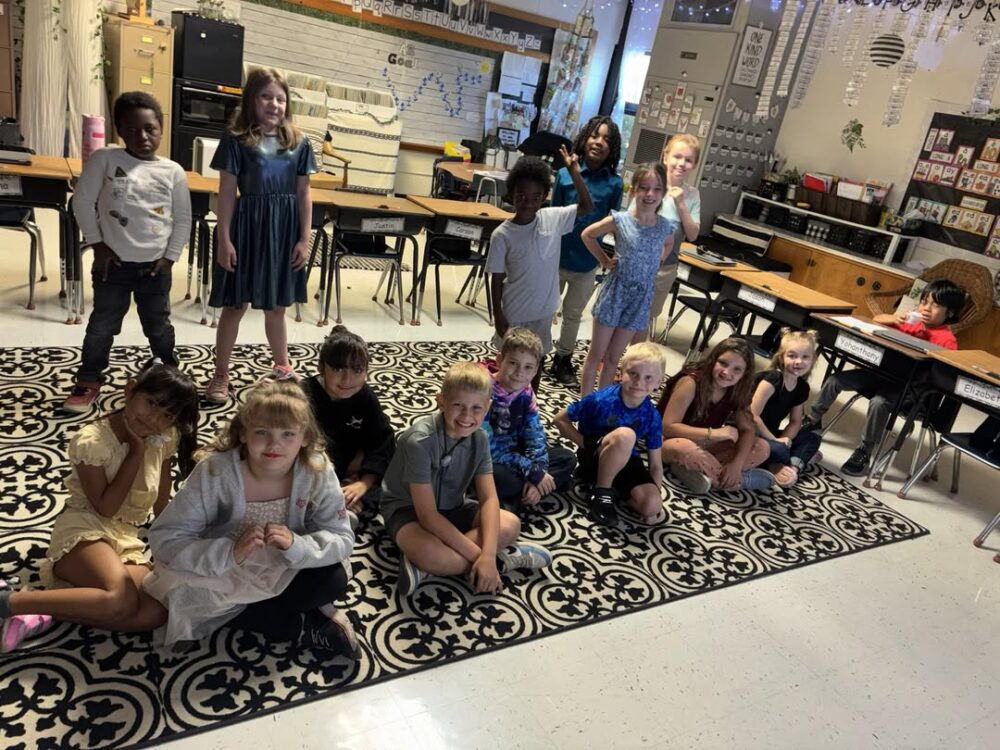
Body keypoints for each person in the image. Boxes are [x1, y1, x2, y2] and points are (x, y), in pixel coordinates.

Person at [144, 381, 358, 657]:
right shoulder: (214, 472)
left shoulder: (317, 470)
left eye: (287, 434)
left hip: (285, 562)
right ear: (243, 433)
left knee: (334, 581)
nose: (274, 444)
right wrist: (229, 552)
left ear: (305, 437)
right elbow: (165, 539)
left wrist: (297, 545)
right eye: (261, 432)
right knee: (182, 595)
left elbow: (341, 536)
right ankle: (301, 627)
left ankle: (249, 617)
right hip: (223, 567)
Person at [0, 362, 199, 652]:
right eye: (151, 403)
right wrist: (135, 452)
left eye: (167, 415)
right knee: (121, 599)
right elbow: (105, 507)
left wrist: (166, 540)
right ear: (130, 389)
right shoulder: (92, 441)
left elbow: (162, 487)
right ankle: (9, 601)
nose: (154, 418)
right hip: (84, 526)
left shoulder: (165, 436)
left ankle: (42, 611)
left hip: (125, 536)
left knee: (156, 611)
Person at [64, 92, 192, 413]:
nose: (142, 136)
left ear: (161, 129)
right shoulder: (105, 160)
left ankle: (169, 371)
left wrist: (170, 257)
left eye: (150, 129)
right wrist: (97, 244)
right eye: (132, 129)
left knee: (158, 326)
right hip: (113, 265)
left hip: (155, 268)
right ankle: (89, 378)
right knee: (102, 325)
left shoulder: (173, 171)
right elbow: (82, 202)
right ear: (120, 130)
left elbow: (183, 219)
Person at [381, 362, 553, 597]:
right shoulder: (419, 442)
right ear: (441, 401)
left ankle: (427, 570)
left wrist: (487, 556)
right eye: (458, 405)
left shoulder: (480, 438)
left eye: (476, 408)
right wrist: (483, 558)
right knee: (429, 553)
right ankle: (503, 561)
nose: (466, 416)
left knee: (511, 524)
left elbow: (489, 498)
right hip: (408, 511)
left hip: (453, 505)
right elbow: (427, 516)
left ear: (488, 407)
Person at [204, 67, 317, 403]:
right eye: (266, 96)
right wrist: (224, 239)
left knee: (277, 307)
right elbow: (226, 192)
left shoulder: (299, 142)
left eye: (280, 98)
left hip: (283, 232)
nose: (274, 104)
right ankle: (221, 373)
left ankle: (282, 366)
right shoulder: (236, 140)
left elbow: (304, 193)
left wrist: (304, 238)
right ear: (251, 100)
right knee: (234, 305)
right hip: (246, 229)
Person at [805, 279, 968, 476]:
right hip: (881, 374)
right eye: (924, 302)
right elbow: (878, 321)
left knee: (879, 402)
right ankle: (813, 419)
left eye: (935, 305)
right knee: (835, 380)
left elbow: (942, 375)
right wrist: (895, 318)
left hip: (910, 389)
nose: (926, 308)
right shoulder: (912, 323)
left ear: (950, 313)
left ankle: (864, 451)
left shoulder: (948, 341)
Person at [488, 151, 594, 392]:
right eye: (521, 196)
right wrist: (498, 315)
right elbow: (496, 277)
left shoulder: (553, 218)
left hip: (543, 312)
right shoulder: (502, 235)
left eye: (535, 197)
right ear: (512, 194)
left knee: (535, 363)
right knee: (510, 366)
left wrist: (575, 174)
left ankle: (529, 405)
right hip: (514, 313)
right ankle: (502, 405)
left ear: (545, 196)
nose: (528, 202)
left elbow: (587, 206)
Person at [578, 162, 676, 396]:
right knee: (597, 354)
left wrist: (658, 260)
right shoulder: (620, 219)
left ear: (663, 193)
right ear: (633, 190)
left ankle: (603, 403)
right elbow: (588, 235)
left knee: (614, 358)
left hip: (640, 297)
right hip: (616, 292)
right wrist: (604, 260)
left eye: (657, 189)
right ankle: (585, 404)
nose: (650, 194)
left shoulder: (665, 226)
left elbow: (669, 243)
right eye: (644, 188)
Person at [553, 342, 668, 525]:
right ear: (620, 373)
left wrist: (656, 494)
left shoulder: (652, 415)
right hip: (595, 456)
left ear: (658, 382)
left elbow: (655, 464)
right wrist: (587, 443)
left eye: (648, 377)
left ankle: (613, 489)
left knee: (652, 505)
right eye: (633, 373)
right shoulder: (600, 400)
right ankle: (601, 494)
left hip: (627, 459)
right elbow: (560, 419)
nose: (639, 382)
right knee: (626, 435)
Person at [549, 116, 624, 385]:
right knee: (545, 308)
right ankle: (535, 352)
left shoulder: (615, 184)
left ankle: (563, 358)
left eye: (606, 139)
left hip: (587, 262)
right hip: (555, 258)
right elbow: (552, 217)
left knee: (573, 313)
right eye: (594, 135)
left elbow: (615, 223)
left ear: (612, 148)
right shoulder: (563, 175)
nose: (599, 142)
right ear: (584, 139)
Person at [302, 325, 395, 525]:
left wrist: (363, 483)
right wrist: (333, 486)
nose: (347, 379)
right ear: (321, 367)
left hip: (352, 466)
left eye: (357, 370)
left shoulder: (365, 397)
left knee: (398, 481)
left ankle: (346, 498)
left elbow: (383, 441)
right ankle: (337, 502)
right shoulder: (303, 395)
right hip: (314, 470)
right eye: (338, 369)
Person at [659, 337, 774, 494]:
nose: (727, 372)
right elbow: (667, 427)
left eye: (737, 369)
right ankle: (740, 481)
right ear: (713, 360)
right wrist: (713, 433)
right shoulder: (690, 382)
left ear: (744, 374)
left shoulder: (737, 390)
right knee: (685, 449)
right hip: (670, 441)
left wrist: (736, 465)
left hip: (705, 444)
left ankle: (700, 472)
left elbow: (748, 429)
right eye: (723, 363)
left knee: (762, 447)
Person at [484, 328, 577, 514]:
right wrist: (533, 472)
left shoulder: (526, 392)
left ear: (535, 370)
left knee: (567, 458)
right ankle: (534, 489)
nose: (520, 372)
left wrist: (538, 471)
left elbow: (535, 435)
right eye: (513, 363)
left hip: (516, 454)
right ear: (500, 360)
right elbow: (487, 449)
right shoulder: (484, 391)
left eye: (528, 367)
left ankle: (528, 491)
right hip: (488, 457)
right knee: (502, 479)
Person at [635, 134, 702, 343]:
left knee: (645, 319)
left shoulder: (692, 194)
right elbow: (633, 222)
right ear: (666, 156)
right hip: (638, 263)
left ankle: (634, 357)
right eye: (677, 156)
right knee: (626, 313)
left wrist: (681, 203)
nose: (682, 163)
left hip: (666, 268)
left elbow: (693, 234)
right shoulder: (651, 184)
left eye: (688, 160)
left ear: (694, 165)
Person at [750, 329, 822, 487]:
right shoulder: (772, 380)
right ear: (781, 357)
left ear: (812, 360)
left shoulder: (802, 387)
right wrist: (775, 440)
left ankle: (791, 468)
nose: (799, 361)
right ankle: (791, 461)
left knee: (812, 437)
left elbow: (796, 421)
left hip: (770, 434)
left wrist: (786, 440)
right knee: (776, 448)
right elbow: (752, 415)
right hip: (751, 431)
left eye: (805, 357)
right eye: (792, 356)